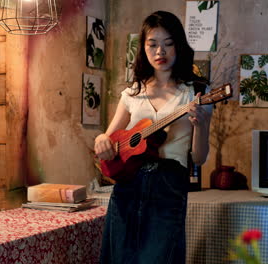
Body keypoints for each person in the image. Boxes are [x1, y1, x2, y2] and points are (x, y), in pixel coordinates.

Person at [94, 10, 213, 264]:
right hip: (128, 185)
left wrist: (201, 125)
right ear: (143, 49)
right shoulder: (132, 93)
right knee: (120, 257)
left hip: (168, 184)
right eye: (153, 44)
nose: (161, 51)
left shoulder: (196, 92)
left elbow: (199, 158)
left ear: (179, 46)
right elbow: (110, 137)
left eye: (168, 44)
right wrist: (100, 140)